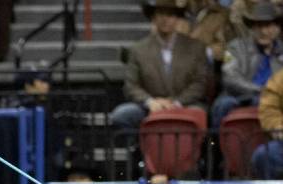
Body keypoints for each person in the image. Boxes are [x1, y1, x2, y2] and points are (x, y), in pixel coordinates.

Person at [111, 0, 209, 131]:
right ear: (153, 17)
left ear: (177, 18)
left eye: (170, 15)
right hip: (151, 105)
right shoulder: (138, 49)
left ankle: (192, 151)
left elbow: (200, 84)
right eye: (161, 14)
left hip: (186, 104)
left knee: (198, 113)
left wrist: (176, 103)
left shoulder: (196, 47)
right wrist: (151, 102)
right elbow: (131, 85)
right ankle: (140, 148)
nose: (165, 19)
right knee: (122, 114)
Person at [212, 1, 283, 127]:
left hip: (274, 100)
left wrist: (270, 95)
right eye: (258, 26)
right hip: (238, 96)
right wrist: (261, 91)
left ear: (277, 28)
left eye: (267, 26)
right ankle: (219, 145)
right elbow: (230, 79)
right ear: (252, 28)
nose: (263, 31)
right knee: (223, 104)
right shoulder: (234, 47)